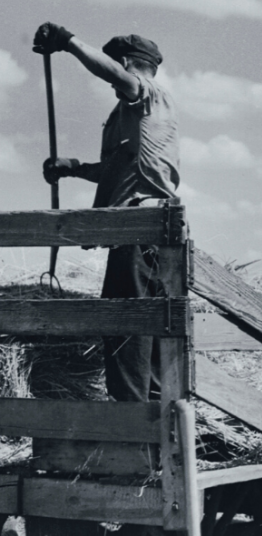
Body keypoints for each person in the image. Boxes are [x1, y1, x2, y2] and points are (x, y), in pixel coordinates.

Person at [34, 22, 180, 403]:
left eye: (116, 68)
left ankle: (133, 425)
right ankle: (155, 420)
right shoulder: (130, 117)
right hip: (137, 229)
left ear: (128, 63)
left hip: (139, 226)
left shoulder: (145, 94)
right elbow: (118, 169)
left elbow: (115, 74)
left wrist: (67, 42)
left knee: (125, 328)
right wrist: (75, 167)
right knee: (143, 328)